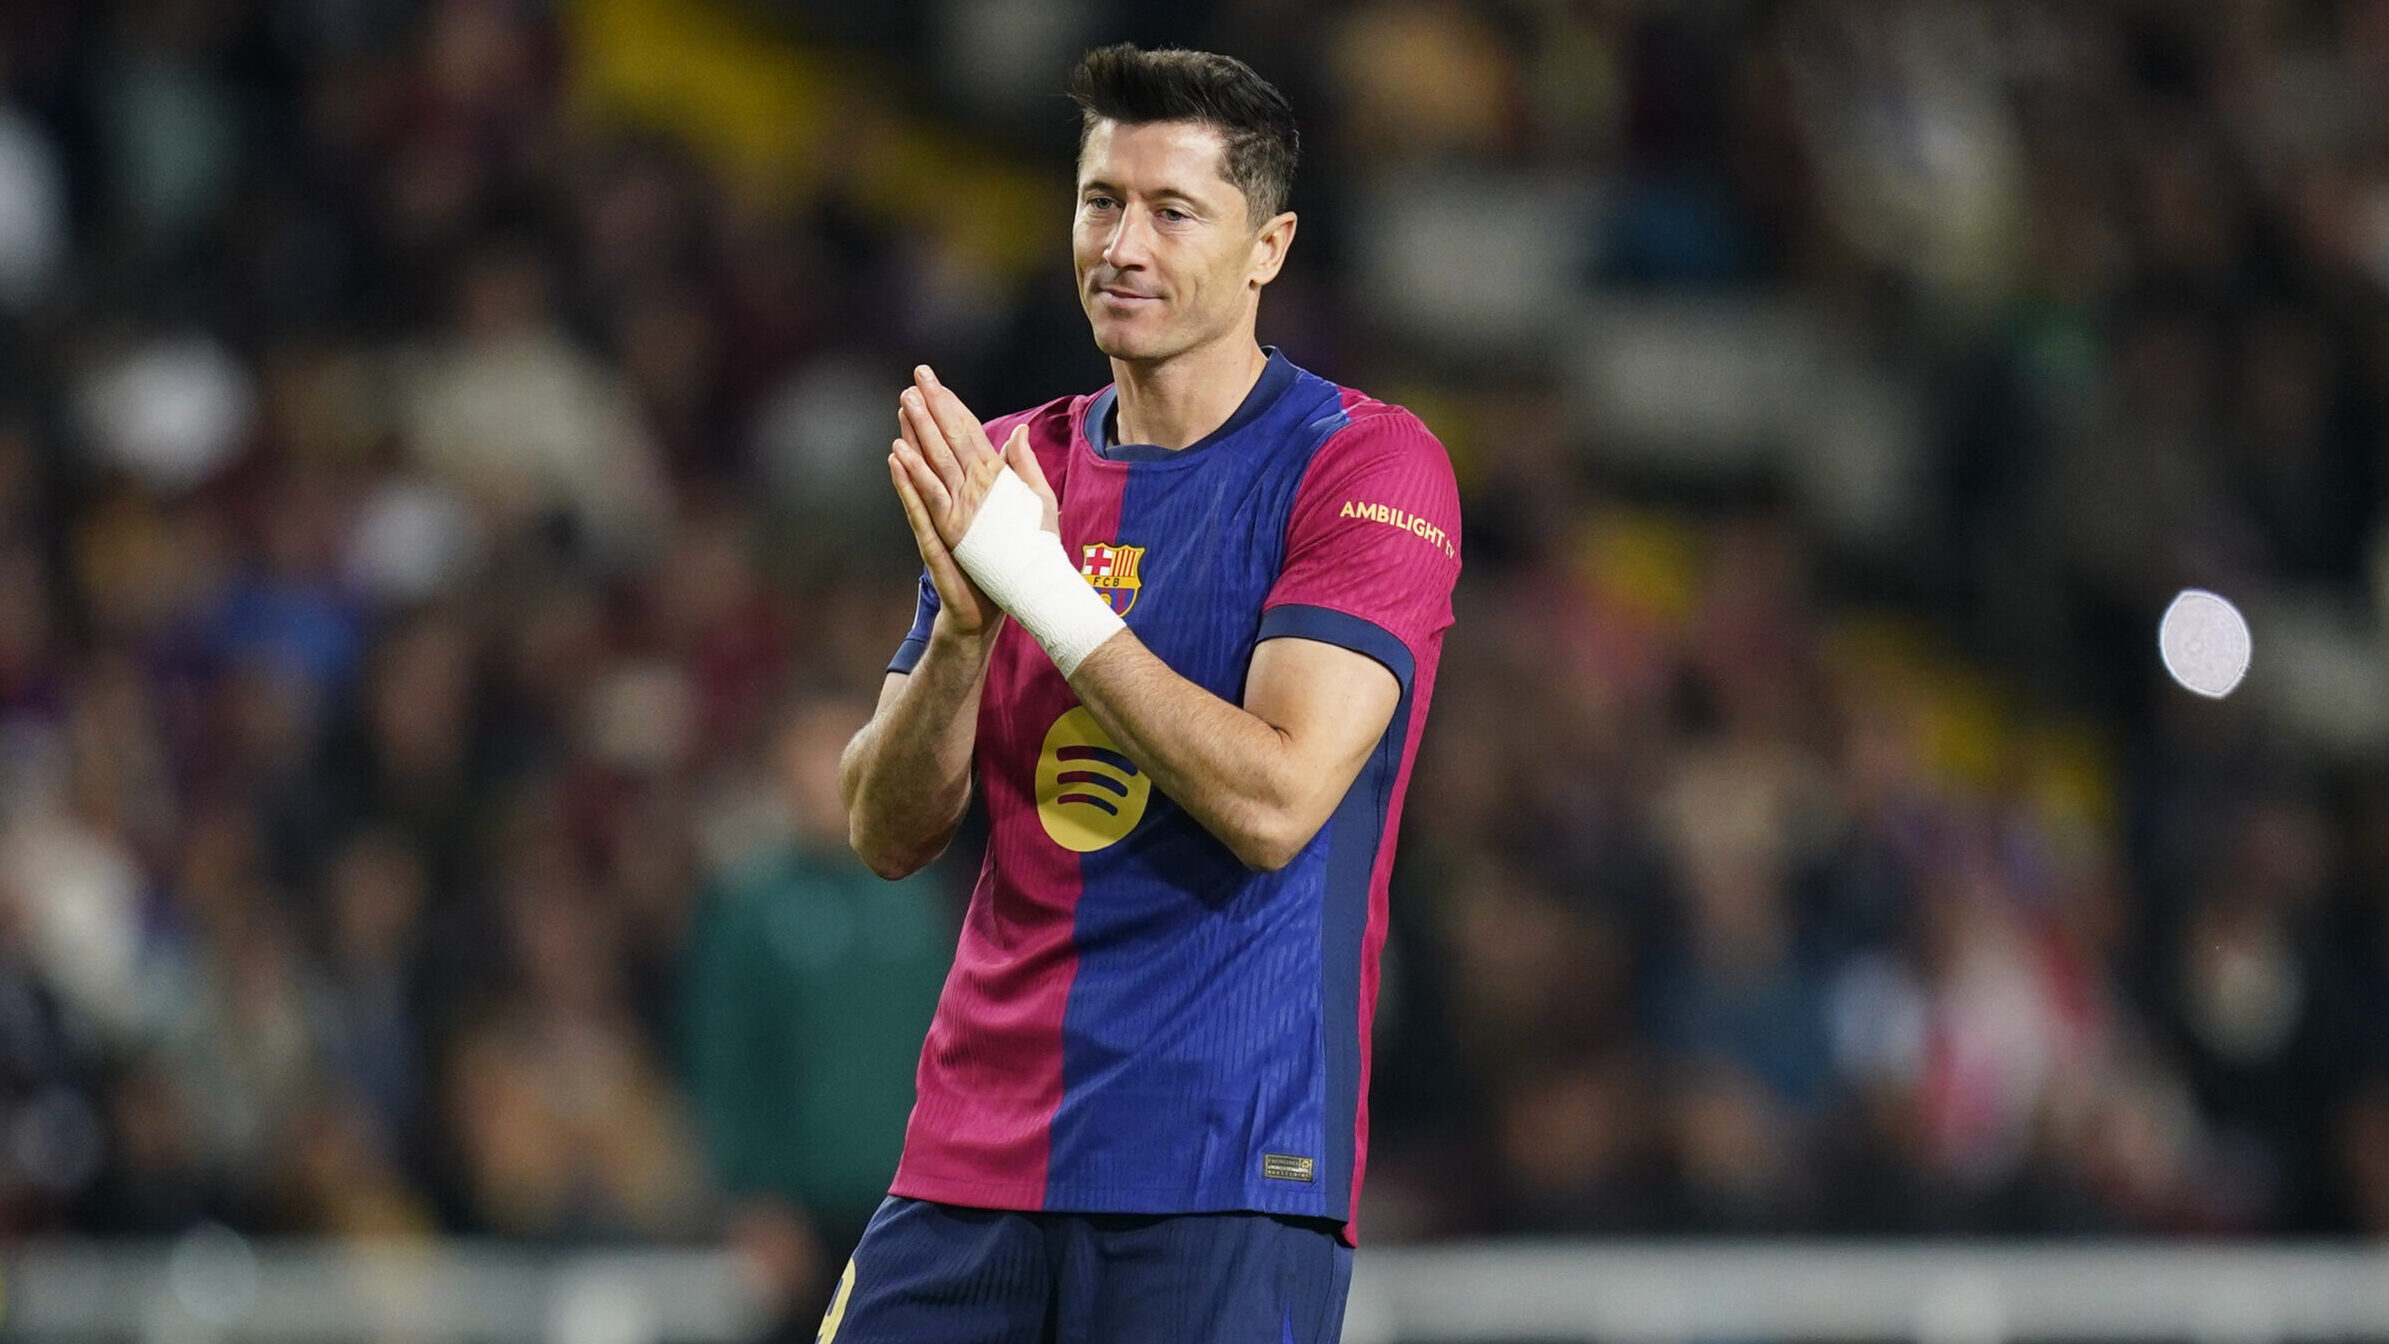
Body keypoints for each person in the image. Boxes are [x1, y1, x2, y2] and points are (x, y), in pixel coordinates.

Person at [835, 43, 1460, 1343]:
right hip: (968, 1158)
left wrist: (1041, 588)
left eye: (1172, 211)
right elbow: (885, 831)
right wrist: (960, 638)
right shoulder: (1014, 468)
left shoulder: (1360, 462)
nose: (1121, 244)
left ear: (1266, 247)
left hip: (1222, 1167)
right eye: (1099, 200)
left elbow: (1280, 796)